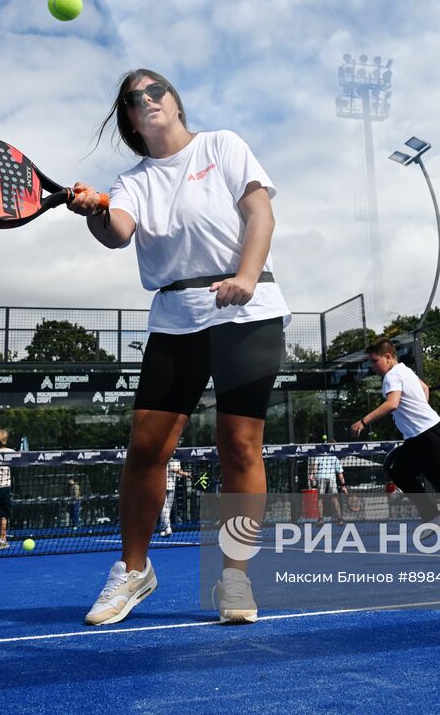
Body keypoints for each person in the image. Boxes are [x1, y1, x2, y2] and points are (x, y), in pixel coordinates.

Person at [70, 69, 289, 626]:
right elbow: (118, 231)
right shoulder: (131, 181)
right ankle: (133, 572)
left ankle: (235, 578)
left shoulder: (224, 145)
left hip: (248, 309)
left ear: (174, 100)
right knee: (147, 447)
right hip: (174, 319)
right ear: (128, 119)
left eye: (153, 91)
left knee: (239, 445)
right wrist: (97, 208)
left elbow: (259, 212)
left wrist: (245, 274)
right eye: (132, 99)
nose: (146, 101)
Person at [351, 339, 440, 539]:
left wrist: (363, 422)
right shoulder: (404, 370)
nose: (372, 366)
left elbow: (392, 404)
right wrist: (418, 410)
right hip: (420, 436)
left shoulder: (391, 376)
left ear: (388, 357)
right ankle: (434, 517)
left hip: (425, 435)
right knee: (396, 470)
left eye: (375, 361)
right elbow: (425, 388)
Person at [309, 449, 347, 524]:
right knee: (334, 498)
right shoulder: (334, 457)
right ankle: (340, 519)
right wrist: (343, 485)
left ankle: (321, 519)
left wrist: (314, 476)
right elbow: (340, 473)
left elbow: (315, 467)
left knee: (320, 498)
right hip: (331, 478)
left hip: (321, 477)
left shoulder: (320, 456)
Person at [159, 458, 190, 537]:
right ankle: (168, 528)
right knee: (163, 507)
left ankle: (163, 529)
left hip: (171, 486)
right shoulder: (167, 455)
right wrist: (184, 473)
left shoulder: (177, 457)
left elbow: (176, 469)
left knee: (167, 509)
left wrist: (183, 473)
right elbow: (174, 469)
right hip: (162, 485)